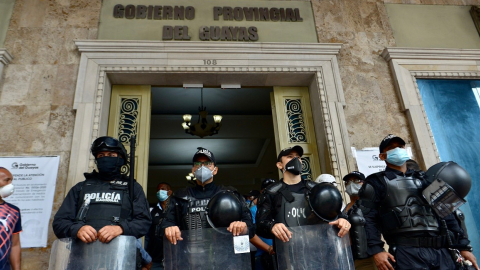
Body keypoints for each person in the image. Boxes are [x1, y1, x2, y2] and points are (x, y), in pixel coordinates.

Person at [355, 134, 478, 270]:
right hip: (406, 252)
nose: (398, 150)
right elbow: (367, 218)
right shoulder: (376, 182)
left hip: (441, 252)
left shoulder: (425, 179)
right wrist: (377, 250)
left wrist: (463, 246)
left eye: (400, 147)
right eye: (391, 148)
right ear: (382, 156)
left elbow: (447, 214)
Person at [52, 136, 151, 244]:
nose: (105, 158)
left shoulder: (132, 188)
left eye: (111, 155)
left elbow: (144, 222)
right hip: (83, 255)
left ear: (121, 159)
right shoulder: (80, 188)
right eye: (101, 155)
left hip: (121, 255)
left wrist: (121, 228)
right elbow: (59, 222)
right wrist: (77, 229)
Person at [256, 145, 351, 243]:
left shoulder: (316, 189)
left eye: (298, 157)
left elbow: (336, 215)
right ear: (280, 165)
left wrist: (343, 220)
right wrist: (272, 226)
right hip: (288, 251)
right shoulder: (271, 192)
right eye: (290, 156)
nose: (296, 159)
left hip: (319, 248)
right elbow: (261, 224)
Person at [163, 147, 254, 244]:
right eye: (198, 164)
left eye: (208, 163)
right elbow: (163, 224)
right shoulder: (179, 197)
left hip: (225, 254)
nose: (202, 167)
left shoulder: (231, 194)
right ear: (193, 170)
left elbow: (251, 227)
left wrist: (243, 226)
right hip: (190, 255)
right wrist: (169, 228)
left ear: (215, 170)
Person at [146, 182, 173, 270]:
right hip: (155, 259)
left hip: (174, 258)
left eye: (162, 189)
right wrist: (146, 257)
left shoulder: (176, 209)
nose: (159, 192)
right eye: (158, 190)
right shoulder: (151, 211)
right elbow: (147, 236)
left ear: (169, 192)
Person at [0, 167, 21, 270]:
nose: (10, 185)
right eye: (6, 180)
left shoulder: (14, 211)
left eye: (11, 181)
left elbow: (15, 244)